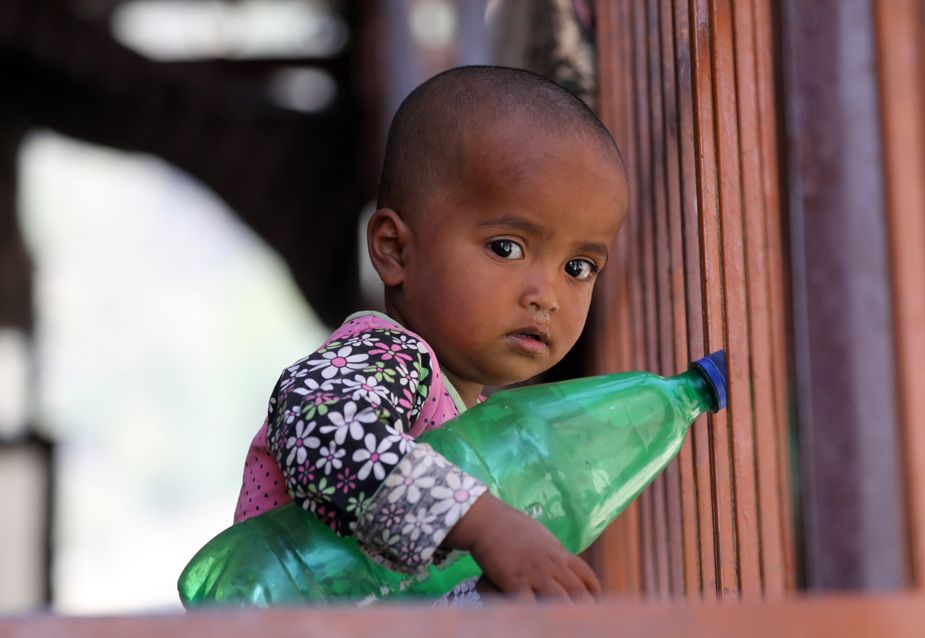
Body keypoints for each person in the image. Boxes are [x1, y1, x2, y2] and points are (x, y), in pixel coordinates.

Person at [232, 65, 629, 602]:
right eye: (506, 248)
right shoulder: (387, 356)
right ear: (396, 250)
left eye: (579, 267)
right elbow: (322, 432)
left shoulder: (467, 425)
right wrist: (489, 525)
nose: (547, 295)